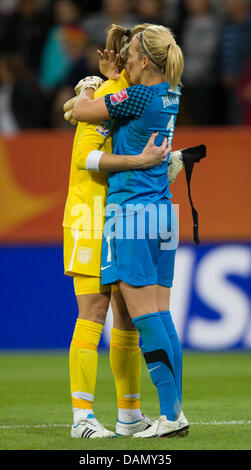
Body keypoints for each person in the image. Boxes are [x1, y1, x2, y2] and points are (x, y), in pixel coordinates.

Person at [72, 24, 189, 438]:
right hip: (163, 211)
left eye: (131, 52)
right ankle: (174, 411)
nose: (126, 57)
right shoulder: (170, 93)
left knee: (144, 319)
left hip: (133, 213)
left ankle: (171, 417)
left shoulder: (138, 94)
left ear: (145, 62)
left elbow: (80, 113)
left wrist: (90, 87)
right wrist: (115, 73)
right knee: (162, 316)